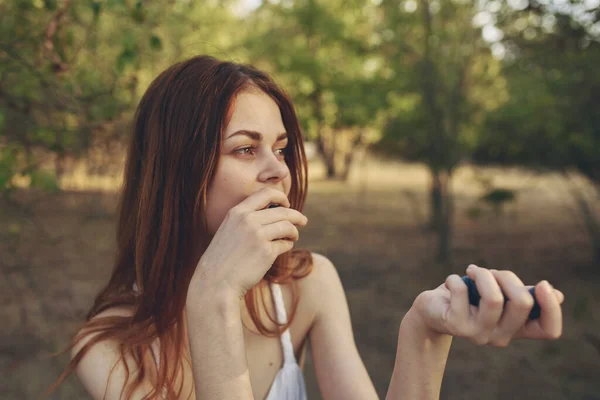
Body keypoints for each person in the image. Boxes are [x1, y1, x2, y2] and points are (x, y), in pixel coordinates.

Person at [50, 55, 564, 400]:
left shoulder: (308, 284)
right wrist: (213, 294)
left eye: (280, 149)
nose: (278, 171)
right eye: (245, 149)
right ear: (175, 173)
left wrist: (423, 331)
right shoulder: (106, 347)